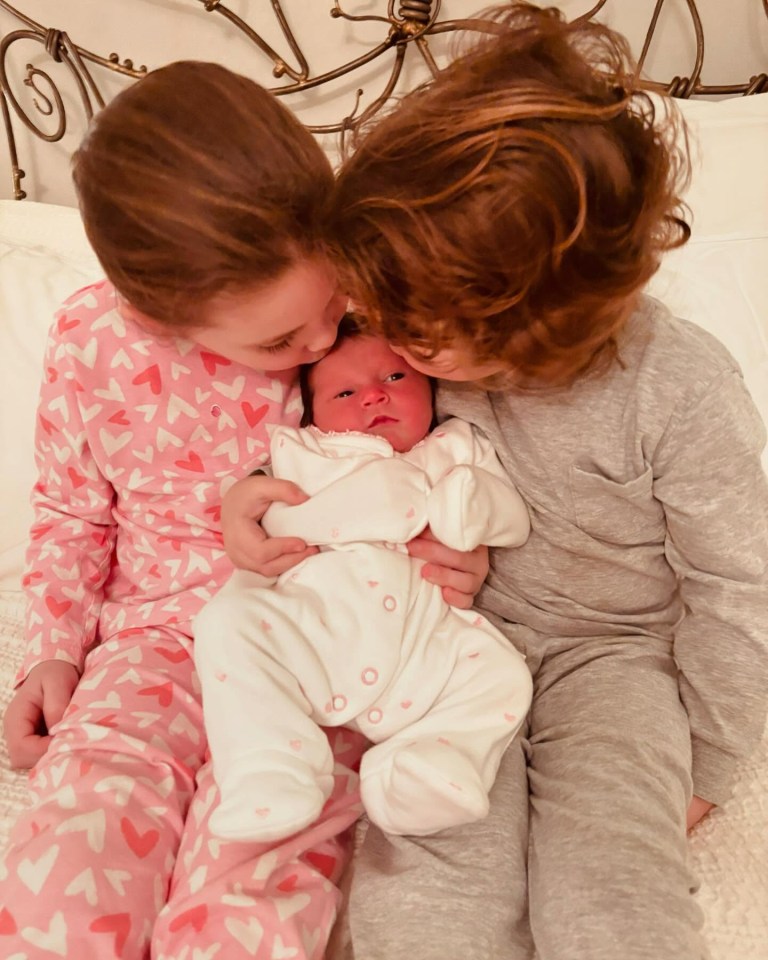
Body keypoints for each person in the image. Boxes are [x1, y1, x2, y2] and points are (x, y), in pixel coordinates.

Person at [225, 6, 768, 960]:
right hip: (447, 643)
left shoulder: (679, 386)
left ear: (524, 321)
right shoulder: (429, 340)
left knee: (606, 890)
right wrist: (255, 491)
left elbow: (741, 585)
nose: (382, 335)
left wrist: (712, 760)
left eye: (411, 326)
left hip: (615, 659)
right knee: (423, 889)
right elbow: (340, 443)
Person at [0, 63, 486, 960]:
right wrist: (55, 648)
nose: (318, 344)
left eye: (329, 307)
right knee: (81, 834)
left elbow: (464, 456)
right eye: (277, 341)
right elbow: (72, 509)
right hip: (153, 638)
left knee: (260, 868)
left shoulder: (371, 321)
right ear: (156, 313)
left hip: (318, 642)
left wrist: (464, 549)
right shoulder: (93, 342)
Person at [194, 321, 532, 844]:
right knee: (225, 623)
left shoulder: (455, 448)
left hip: (425, 643)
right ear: (313, 414)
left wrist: (473, 504)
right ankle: (271, 770)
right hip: (317, 628)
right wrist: (242, 500)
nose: (374, 395)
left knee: (501, 675)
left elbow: (511, 518)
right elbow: (255, 507)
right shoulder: (303, 452)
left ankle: (422, 770)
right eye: (345, 392)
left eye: (395, 376)